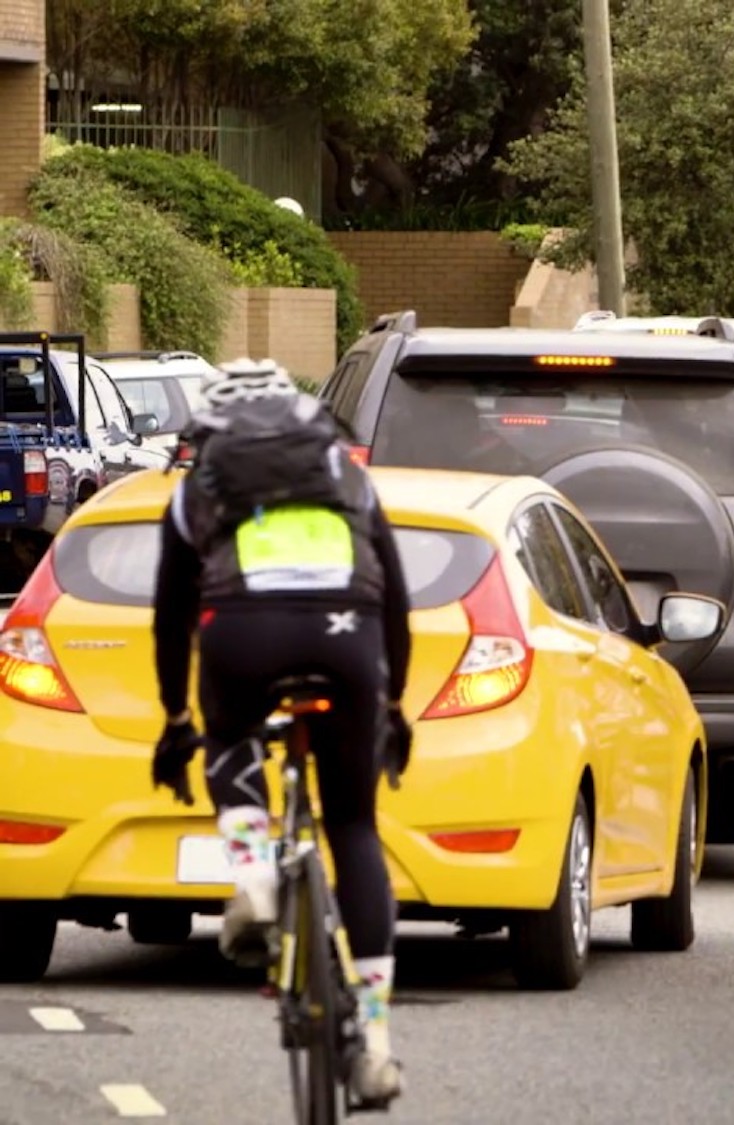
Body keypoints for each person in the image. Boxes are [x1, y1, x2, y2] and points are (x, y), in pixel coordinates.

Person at [148, 358, 412, 1107]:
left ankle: (258, 878)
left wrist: (177, 721)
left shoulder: (195, 485)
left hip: (242, 634)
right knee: (355, 826)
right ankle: (377, 1045)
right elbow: (396, 597)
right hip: (348, 635)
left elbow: (171, 618)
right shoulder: (349, 476)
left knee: (228, 738)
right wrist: (394, 705)